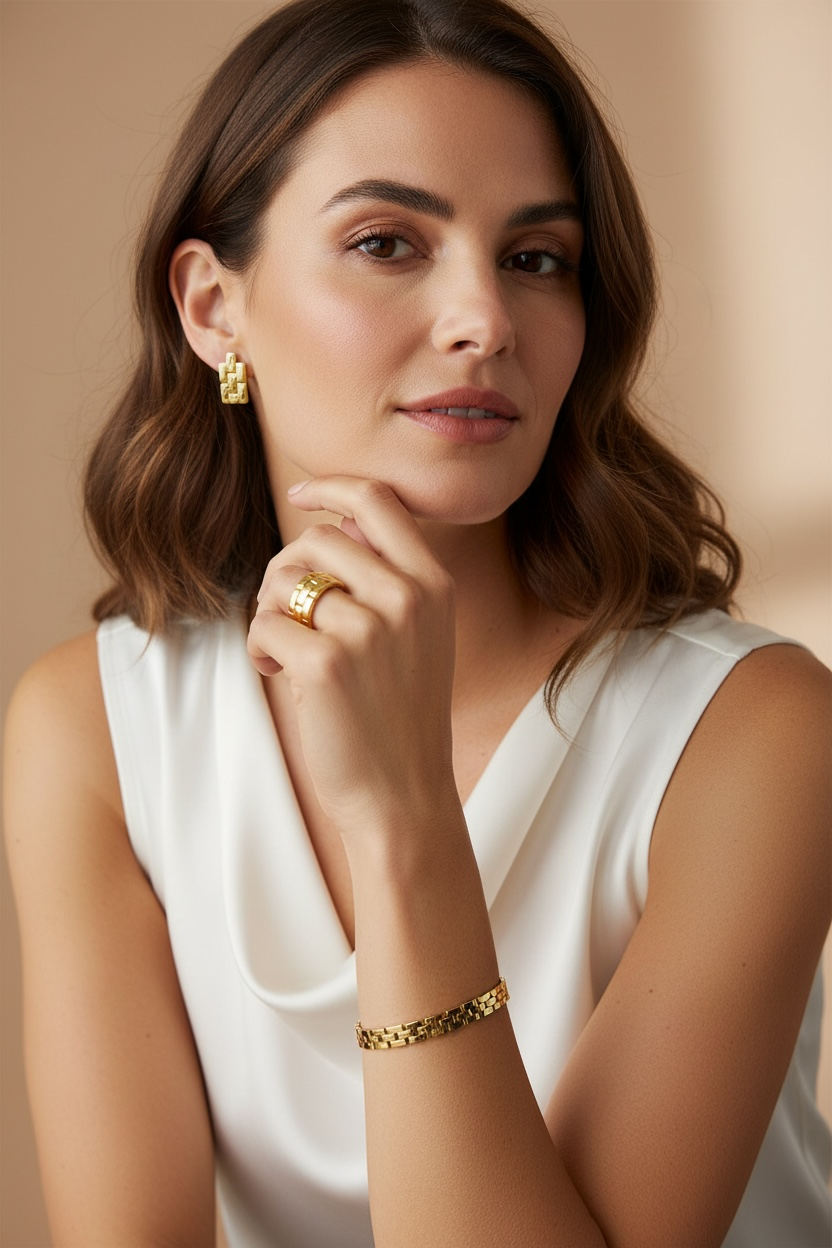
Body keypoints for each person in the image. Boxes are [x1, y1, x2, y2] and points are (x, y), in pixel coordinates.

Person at [5, 0, 830, 1244]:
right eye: (388, 242)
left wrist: (403, 827)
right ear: (212, 310)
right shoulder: (92, 729)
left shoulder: (755, 733)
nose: (484, 322)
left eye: (535, 258)